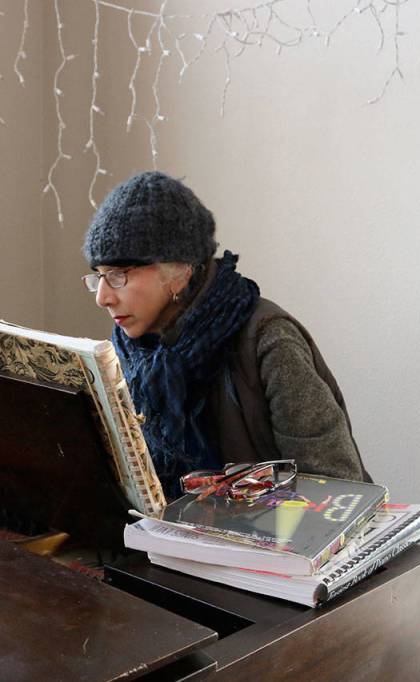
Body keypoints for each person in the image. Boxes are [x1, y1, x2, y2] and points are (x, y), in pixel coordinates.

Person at [81, 171, 372, 497]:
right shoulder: (130, 351)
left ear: (177, 272)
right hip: (164, 542)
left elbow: (337, 489)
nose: (102, 297)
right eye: (99, 276)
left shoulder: (269, 342)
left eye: (119, 275)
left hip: (270, 543)